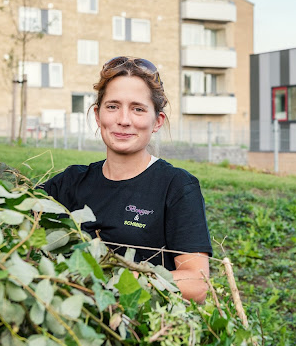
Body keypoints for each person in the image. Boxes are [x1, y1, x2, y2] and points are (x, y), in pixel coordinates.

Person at [43, 56, 212, 303]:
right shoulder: (68, 183)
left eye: (138, 109)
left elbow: (197, 284)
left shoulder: (176, 186)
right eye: (112, 106)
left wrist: (115, 279)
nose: (124, 119)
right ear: (97, 115)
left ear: (157, 121)